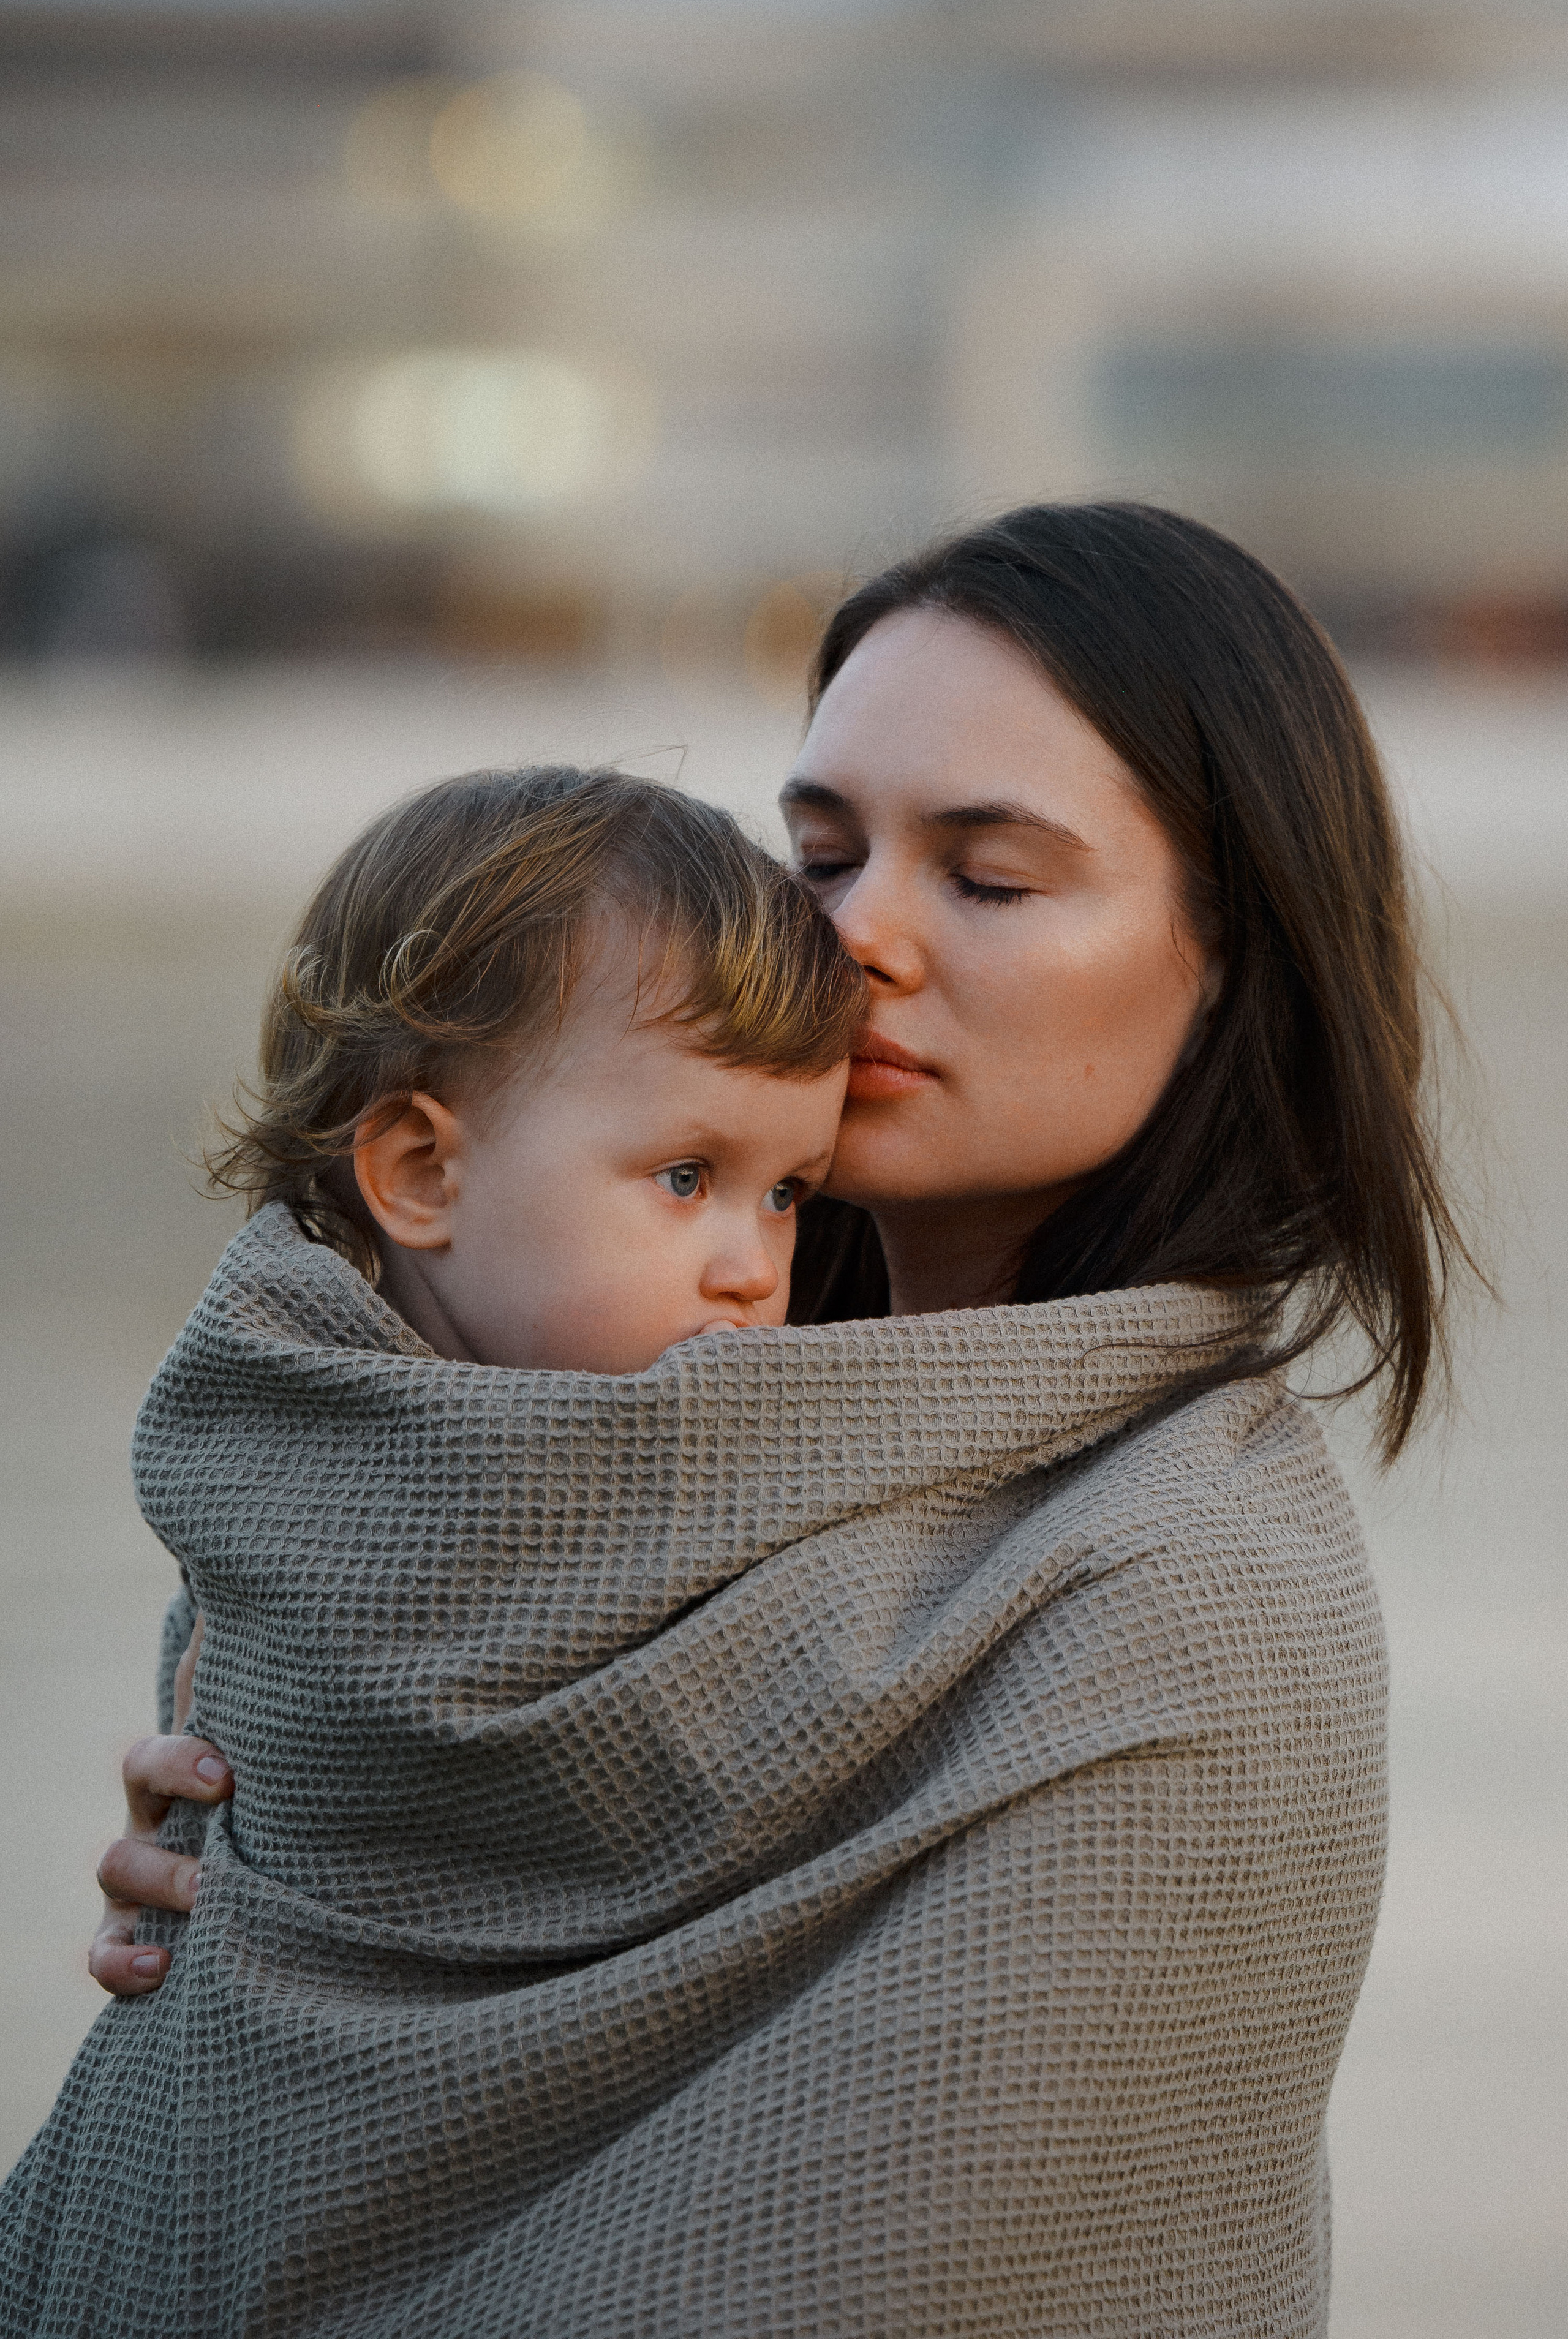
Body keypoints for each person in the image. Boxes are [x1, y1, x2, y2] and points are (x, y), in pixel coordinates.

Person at [64, 503, 1471, 2336]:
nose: (857, 936)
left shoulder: (1190, 1594)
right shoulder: (539, 1407)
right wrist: (281, 1867)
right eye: (817, 851)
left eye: (986, 875)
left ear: (1234, 962)